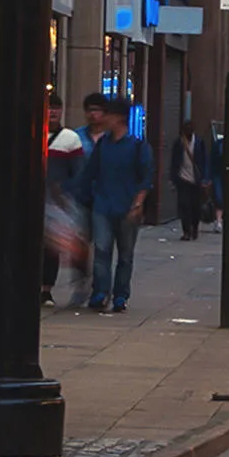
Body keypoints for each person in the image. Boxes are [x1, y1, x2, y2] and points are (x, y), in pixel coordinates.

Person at [76, 97, 155, 313]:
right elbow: (90, 173)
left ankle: (120, 295)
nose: (104, 118)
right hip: (103, 205)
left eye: (108, 114)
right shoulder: (103, 145)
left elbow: (146, 177)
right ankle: (101, 292)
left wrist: (138, 203)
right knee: (101, 251)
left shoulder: (138, 146)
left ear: (119, 118)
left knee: (125, 255)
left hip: (127, 207)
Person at [41, 124, 88, 305]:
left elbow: (78, 171)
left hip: (59, 200)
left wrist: (66, 191)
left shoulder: (70, 138)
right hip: (40, 198)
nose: (52, 112)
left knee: (54, 247)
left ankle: (47, 289)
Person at [173, 123, 207, 240]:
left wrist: (204, 177)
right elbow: (174, 161)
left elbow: (204, 160)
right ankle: (186, 231)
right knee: (184, 205)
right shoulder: (179, 143)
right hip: (183, 179)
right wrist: (174, 178)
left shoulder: (199, 142)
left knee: (195, 206)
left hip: (196, 179)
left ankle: (195, 228)